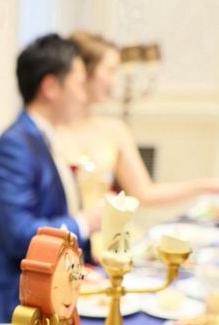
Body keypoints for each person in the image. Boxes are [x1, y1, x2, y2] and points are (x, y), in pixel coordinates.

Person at [0, 34, 102, 325]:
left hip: (51, 285)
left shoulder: (41, 138)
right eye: (79, 85)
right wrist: (84, 223)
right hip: (18, 303)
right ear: (50, 87)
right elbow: (18, 234)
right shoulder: (15, 144)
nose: (84, 96)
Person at [57, 31, 219, 208]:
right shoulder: (47, 131)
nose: (114, 80)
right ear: (82, 71)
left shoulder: (115, 131)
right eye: (110, 70)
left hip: (106, 226)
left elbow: (145, 193)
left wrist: (203, 186)